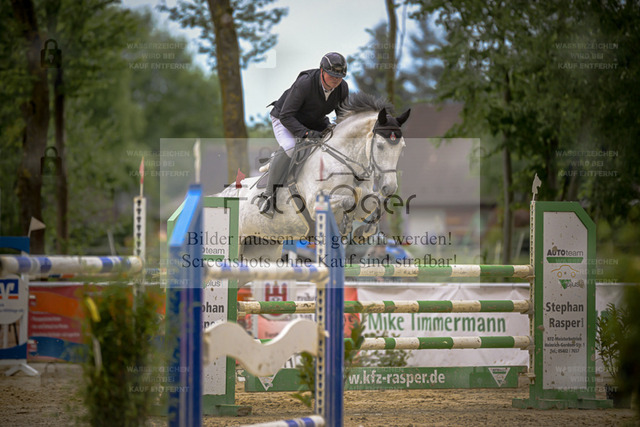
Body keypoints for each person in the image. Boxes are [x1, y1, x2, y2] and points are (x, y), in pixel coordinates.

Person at [259, 52, 349, 218]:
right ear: (322, 71)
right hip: (285, 119)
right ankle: (267, 196)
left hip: (314, 121)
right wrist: (306, 133)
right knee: (290, 146)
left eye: (339, 77)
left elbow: (343, 118)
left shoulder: (342, 88)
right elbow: (286, 115)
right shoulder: (306, 83)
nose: (336, 80)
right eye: (332, 75)